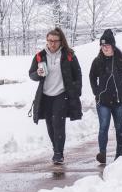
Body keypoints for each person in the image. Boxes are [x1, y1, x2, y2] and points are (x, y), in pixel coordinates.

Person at [28, 27, 83, 166]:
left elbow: (78, 74)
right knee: (50, 125)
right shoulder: (40, 56)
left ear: (60, 42)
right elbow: (31, 74)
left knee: (58, 123)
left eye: (55, 41)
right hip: (45, 95)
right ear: (46, 41)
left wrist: (76, 91)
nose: (52, 44)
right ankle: (55, 148)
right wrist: (38, 74)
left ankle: (59, 153)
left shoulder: (68, 55)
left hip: (61, 94)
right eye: (49, 41)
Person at [89, 28, 122, 164]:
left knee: (119, 126)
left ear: (113, 45)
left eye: (107, 45)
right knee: (103, 126)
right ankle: (102, 153)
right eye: (102, 46)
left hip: (120, 101)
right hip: (103, 102)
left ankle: (119, 154)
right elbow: (92, 77)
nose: (105, 48)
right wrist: (96, 92)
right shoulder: (97, 61)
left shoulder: (121, 60)